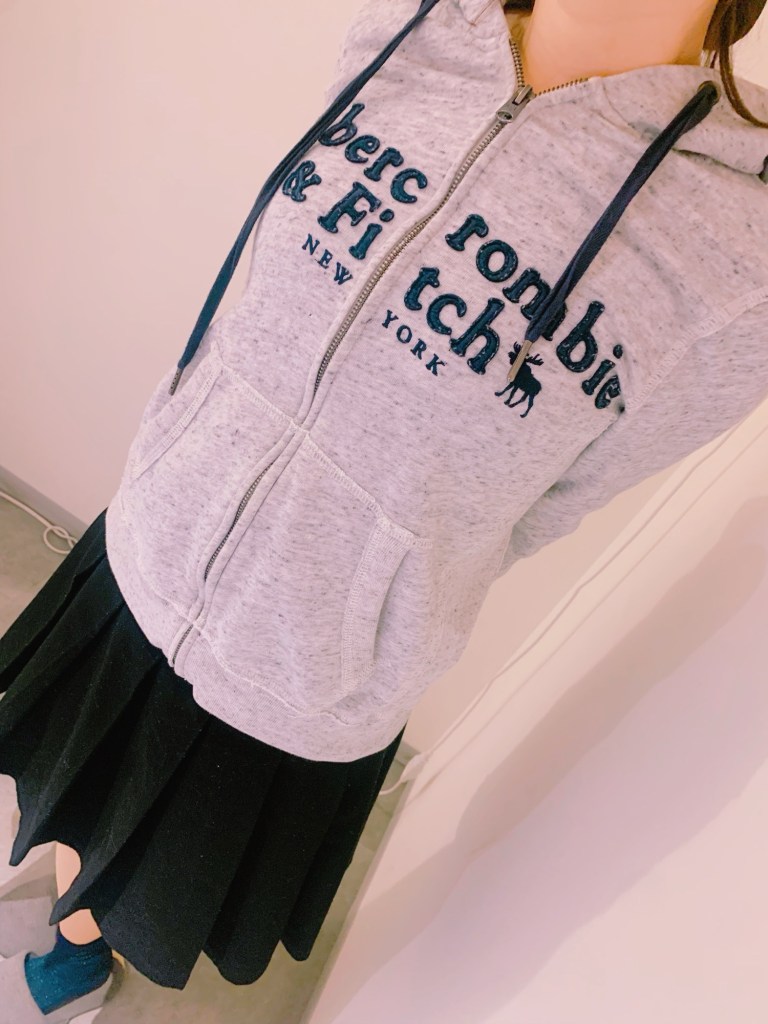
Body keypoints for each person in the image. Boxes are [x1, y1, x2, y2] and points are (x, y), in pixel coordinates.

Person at [0, 0, 766, 1017]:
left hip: (309, 666)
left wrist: (383, 570)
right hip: (157, 528)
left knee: (144, 862)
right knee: (65, 776)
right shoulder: (419, 22)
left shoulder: (745, 240)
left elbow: (558, 495)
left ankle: (81, 939)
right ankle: (56, 887)